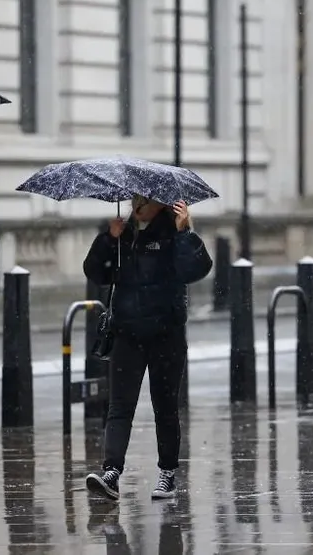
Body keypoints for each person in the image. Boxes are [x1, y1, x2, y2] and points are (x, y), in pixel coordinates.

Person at [83, 195, 213, 501]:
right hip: (127, 333)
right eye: (135, 197)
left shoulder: (173, 233)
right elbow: (95, 272)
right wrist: (107, 240)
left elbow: (196, 270)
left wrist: (184, 233)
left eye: (145, 199)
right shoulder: (122, 234)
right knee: (119, 407)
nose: (137, 203)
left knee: (165, 408)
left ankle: (168, 474)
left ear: (161, 205)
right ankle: (111, 472)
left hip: (165, 335)